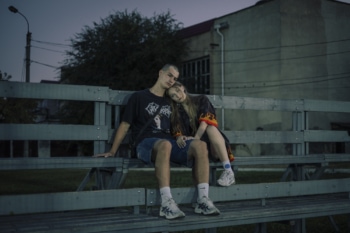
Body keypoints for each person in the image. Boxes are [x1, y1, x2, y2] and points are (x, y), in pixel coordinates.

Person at [94, 64, 220, 219]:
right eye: (169, 75)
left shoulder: (171, 101)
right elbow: (125, 124)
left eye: (175, 78)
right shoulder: (139, 97)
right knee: (164, 144)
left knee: (200, 145)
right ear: (160, 73)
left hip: (169, 143)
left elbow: (180, 123)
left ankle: (203, 200)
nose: (171, 80)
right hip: (145, 143)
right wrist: (112, 151)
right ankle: (167, 203)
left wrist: (181, 135)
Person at [166, 81, 235, 187]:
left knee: (210, 127)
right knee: (198, 147)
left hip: (215, 147)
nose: (178, 96)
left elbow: (204, 123)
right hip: (199, 150)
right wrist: (179, 136)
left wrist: (195, 138)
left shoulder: (201, 99)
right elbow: (176, 129)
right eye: (173, 95)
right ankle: (202, 194)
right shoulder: (176, 111)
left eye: (177, 91)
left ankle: (228, 171)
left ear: (182, 87)